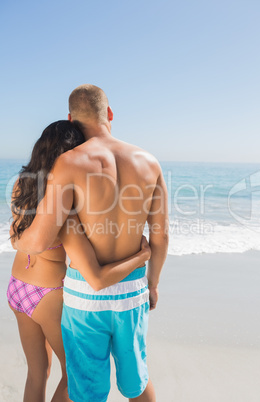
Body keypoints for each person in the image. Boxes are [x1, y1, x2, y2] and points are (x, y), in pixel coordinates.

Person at [14, 85, 169, 402]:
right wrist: (152, 284)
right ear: (110, 114)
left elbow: (41, 239)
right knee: (137, 381)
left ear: (71, 119)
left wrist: (16, 235)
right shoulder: (150, 162)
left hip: (83, 297)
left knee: (84, 390)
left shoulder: (69, 163)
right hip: (133, 292)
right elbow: (161, 236)